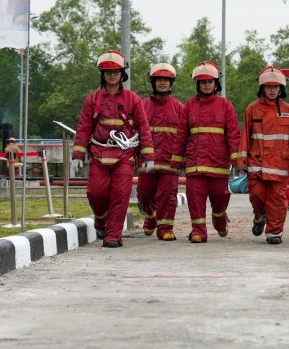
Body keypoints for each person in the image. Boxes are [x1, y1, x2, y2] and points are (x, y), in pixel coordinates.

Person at [72, 50, 154, 247]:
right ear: (102, 74)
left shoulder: (132, 99)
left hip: (124, 156)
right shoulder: (92, 100)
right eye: (108, 72)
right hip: (99, 155)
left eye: (116, 71)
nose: (112, 75)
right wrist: (77, 155)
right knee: (96, 193)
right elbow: (84, 127)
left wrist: (148, 155)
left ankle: (113, 236)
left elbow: (143, 127)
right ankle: (100, 220)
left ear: (121, 74)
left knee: (120, 196)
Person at [170, 61, 241, 243]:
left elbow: (233, 134)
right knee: (195, 198)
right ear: (198, 84)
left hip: (218, 165)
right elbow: (181, 135)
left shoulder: (225, 105)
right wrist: (176, 162)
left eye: (210, 81)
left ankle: (219, 218)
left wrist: (237, 160)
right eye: (203, 82)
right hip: (195, 164)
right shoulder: (189, 106)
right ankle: (198, 231)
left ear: (215, 83)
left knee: (221, 197)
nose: (206, 85)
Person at [237, 66, 289, 245]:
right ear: (262, 88)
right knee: (256, 195)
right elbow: (245, 136)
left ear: (281, 88)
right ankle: (260, 217)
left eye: (276, 87)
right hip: (256, 163)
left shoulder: (288, 111)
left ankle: (274, 232)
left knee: (278, 200)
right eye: (269, 87)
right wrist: (242, 162)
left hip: (279, 164)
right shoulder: (252, 109)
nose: (272, 90)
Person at [137, 63, 185, 241]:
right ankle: (150, 216)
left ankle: (165, 228)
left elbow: (184, 135)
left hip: (170, 161)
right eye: (159, 80)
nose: (163, 83)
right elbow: (135, 132)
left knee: (168, 195)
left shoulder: (179, 108)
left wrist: (183, 158)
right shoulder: (142, 106)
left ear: (171, 83)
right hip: (146, 161)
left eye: (166, 80)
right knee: (144, 192)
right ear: (153, 82)